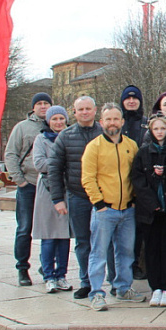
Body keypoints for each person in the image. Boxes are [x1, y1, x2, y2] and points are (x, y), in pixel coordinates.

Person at [80, 103, 142, 311]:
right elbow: (88, 178)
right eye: (108, 119)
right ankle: (97, 293)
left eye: (116, 119)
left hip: (128, 209)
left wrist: (133, 199)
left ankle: (123, 288)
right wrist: (99, 204)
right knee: (98, 253)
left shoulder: (131, 145)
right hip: (105, 210)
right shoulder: (94, 147)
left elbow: (136, 174)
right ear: (101, 122)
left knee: (126, 253)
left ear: (122, 122)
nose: (112, 123)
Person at [48, 96, 103, 299]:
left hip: (104, 197)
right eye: (81, 109)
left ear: (95, 110)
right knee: (83, 242)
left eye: (88, 108)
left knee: (109, 241)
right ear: (74, 112)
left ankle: (115, 282)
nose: (85, 112)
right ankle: (86, 282)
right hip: (78, 196)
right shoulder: (65, 136)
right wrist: (57, 198)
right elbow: (55, 169)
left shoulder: (105, 133)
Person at [131, 115, 166, 308]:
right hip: (149, 211)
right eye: (156, 129)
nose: (159, 132)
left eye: (162, 129)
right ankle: (155, 288)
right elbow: (137, 180)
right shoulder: (143, 152)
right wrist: (152, 203)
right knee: (151, 250)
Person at [5, 91, 51, 286]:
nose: (43, 106)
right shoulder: (22, 128)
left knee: (50, 230)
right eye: (39, 103)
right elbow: (11, 154)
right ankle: (22, 267)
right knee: (25, 228)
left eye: (46, 103)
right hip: (29, 184)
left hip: (50, 186)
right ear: (33, 107)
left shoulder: (57, 125)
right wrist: (20, 181)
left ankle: (47, 265)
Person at [31, 105, 72, 293]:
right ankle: (48, 275)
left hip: (66, 189)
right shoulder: (41, 139)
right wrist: (60, 163)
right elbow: (39, 163)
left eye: (61, 119)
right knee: (48, 236)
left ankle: (61, 275)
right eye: (54, 119)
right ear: (48, 121)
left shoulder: (69, 136)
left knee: (64, 236)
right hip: (47, 191)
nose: (58, 122)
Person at [120, 85, 146, 280]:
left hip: (141, 183)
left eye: (134, 98)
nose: (131, 101)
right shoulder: (117, 124)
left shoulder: (145, 124)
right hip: (118, 184)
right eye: (127, 99)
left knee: (138, 229)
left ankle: (136, 264)